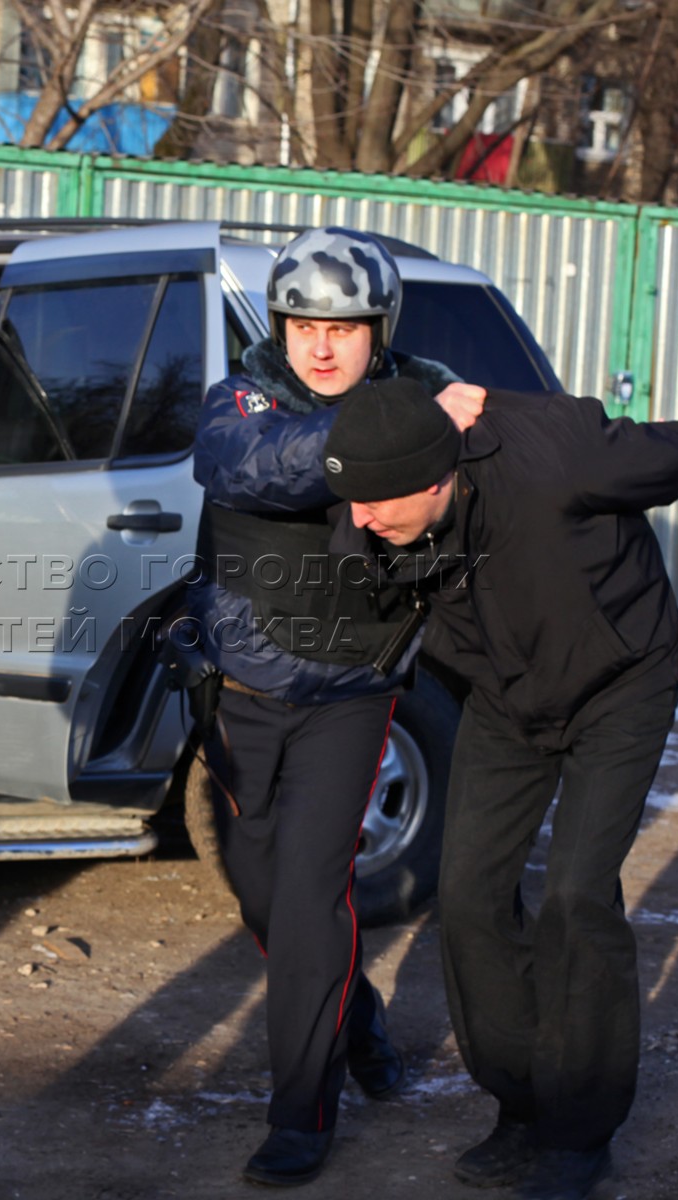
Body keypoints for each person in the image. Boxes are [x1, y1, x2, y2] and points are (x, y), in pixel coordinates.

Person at [322, 378, 678, 1200]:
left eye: (372, 504)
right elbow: (359, 562)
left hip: (619, 681)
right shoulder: (377, 503)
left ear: (435, 477)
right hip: (505, 695)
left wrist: (506, 401)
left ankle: (578, 1132)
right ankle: (523, 1106)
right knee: (467, 895)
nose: (356, 519)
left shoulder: (552, 458)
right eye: (346, 500)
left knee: (576, 895)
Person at [181, 226, 484, 1187]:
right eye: (303, 322)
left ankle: (300, 1114)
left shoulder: (423, 391)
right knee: (264, 893)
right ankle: (353, 1015)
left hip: (352, 693)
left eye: (344, 327)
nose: (321, 344)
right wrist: (406, 429)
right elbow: (247, 467)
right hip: (245, 689)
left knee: (311, 897)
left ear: (378, 329)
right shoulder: (243, 400)